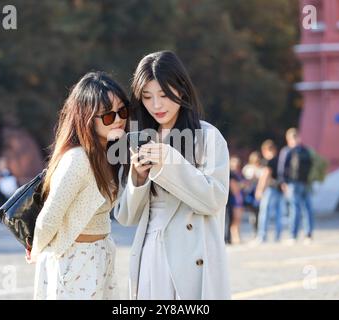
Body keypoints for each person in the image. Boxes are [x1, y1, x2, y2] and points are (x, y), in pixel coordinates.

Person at [116, 50, 231, 300]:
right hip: (150, 253)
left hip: (192, 253)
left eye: (164, 94)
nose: (156, 105)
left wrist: (169, 162)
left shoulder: (208, 137)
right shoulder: (142, 140)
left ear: (181, 90)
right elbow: (126, 217)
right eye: (147, 96)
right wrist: (137, 178)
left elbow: (214, 199)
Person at [28, 71, 129, 299]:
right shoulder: (78, 160)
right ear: (86, 119)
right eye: (107, 116)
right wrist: (36, 249)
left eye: (122, 111)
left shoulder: (110, 154)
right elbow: (51, 214)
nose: (118, 119)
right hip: (75, 261)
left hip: (101, 254)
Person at [278, 128, 314, 245]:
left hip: (293, 183)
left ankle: (293, 235)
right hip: (305, 183)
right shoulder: (305, 150)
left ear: (288, 139)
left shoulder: (287, 151)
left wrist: (283, 182)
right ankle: (308, 234)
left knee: (295, 209)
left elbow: (282, 167)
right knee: (307, 209)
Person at [254, 140, 284, 243]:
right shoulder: (279, 160)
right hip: (279, 189)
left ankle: (262, 236)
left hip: (270, 189)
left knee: (264, 212)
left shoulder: (269, 161)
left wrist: (259, 189)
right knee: (278, 214)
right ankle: (278, 236)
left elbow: (265, 176)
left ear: (264, 150)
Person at [242, 151, 264, 237]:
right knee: (253, 212)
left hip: (259, 191)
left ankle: (258, 231)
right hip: (250, 192)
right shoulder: (248, 168)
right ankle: (255, 230)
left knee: (259, 211)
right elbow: (245, 180)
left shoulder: (262, 168)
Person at [227, 156, 245, 244]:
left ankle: (237, 237)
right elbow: (234, 187)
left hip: (239, 198)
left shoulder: (239, 174)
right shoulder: (232, 174)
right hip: (235, 199)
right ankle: (235, 238)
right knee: (235, 220)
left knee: (238, 220)